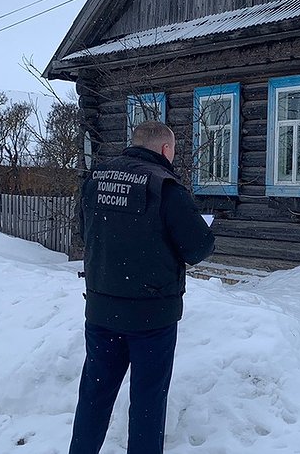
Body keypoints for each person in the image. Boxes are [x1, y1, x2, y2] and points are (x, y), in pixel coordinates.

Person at [70, 120, 215, 454]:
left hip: (101, 310)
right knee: (148, 403)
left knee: (94, 395)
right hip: (152, 317)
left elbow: (85, 230)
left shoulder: (95, 179)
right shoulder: (166, 188)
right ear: (165, 149)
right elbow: (198, 248)